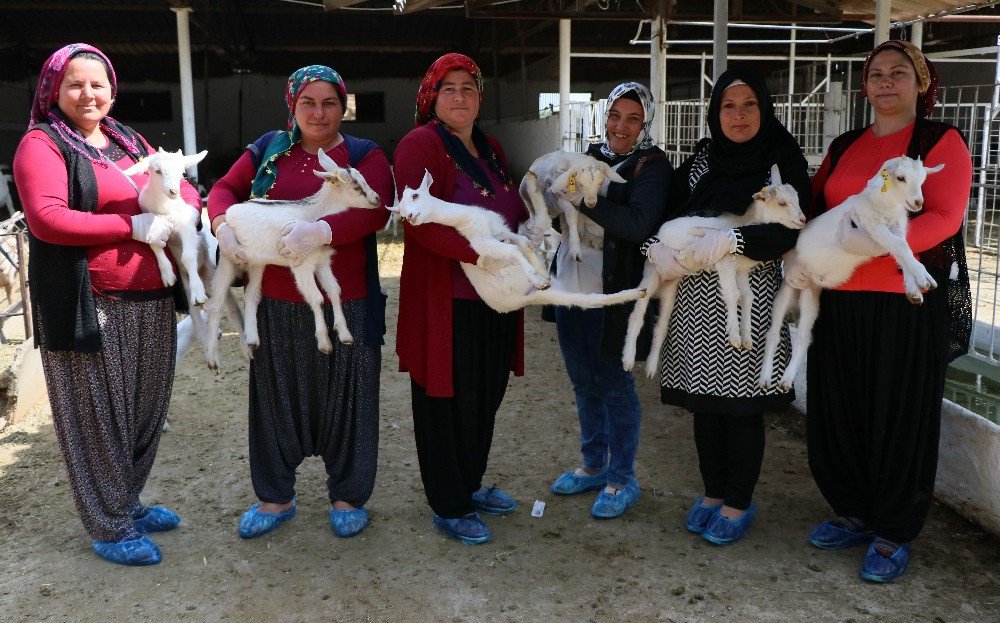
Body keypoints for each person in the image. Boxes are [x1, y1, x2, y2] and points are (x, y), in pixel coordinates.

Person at [13, 43, 202, 566]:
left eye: (98, 84)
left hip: (150, 299)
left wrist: (189, 202)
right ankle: (110, 525)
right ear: (54, 90)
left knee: (144, 408)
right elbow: (48, 218)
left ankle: (129, 501)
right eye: (75, 84)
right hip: (90, 301)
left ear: (112, 90)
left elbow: (176, 187)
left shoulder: (125, 139)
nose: (88, 94)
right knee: (99, 416)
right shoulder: (43, 144)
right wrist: (132, 226)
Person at [798, 40, 972, 583]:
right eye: (876, 74)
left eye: (900, 73)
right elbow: (817, 202)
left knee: (899, 417)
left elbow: (944, 215)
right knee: (841, 407)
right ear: (865, 85)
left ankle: (894, 529)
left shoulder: (938, 141)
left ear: (921, 83)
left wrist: (872, 246)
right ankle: (853, 509)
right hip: (842, 297)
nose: (887, 83)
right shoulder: (846, 143)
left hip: (905, 302)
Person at [207, 65, 392, 540]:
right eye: (308, 102)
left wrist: (324, 230)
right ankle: (275, 495)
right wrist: (222, 224)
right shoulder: (270, 149)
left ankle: (348, 494)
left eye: (330, 102)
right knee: (274, 397)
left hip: (344, 300)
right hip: (276, 298)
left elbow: (376, 207)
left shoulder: (362, 155)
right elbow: (224, 189)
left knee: (350, 398)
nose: (319, 112)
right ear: (292, 105)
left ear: (343, 107)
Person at [643, 67, 811, 545]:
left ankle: (738, 502)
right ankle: (713, 493)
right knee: (706, 408)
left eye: (749, 105)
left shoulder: (780, 162)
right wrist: (653, 248)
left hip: (748, 299)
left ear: (765, 107)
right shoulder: (702, 158)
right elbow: (664, 211)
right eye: (728, 107)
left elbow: (791, 226)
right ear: (716, 113)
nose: (738, 116)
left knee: (741, 410)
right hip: (693, 302)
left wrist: (733, 237)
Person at [394, 53, 525, 545]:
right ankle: (449, 502)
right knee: (445, 400)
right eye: (448, 88)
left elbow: (510, 206)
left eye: (468, 88)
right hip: (446, 300)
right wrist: (486, 257)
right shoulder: (421, 144)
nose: (459, 97)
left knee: (484, 394)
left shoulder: (489, 148)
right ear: (432, 96)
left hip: (494, 297)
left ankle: (469, 483)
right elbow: (419, 219)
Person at [548, 82, 671, 519]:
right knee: (583, 381)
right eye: (615, 115)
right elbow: (555, 208)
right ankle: (593, 465)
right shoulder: (589, 156)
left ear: (646, 123)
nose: (621, 126)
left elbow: (638, 224)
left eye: (633, 118)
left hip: (612, 291)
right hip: (569, 284)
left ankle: (622, 478)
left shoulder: (652, 166)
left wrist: (583, 199)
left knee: (614, 384)